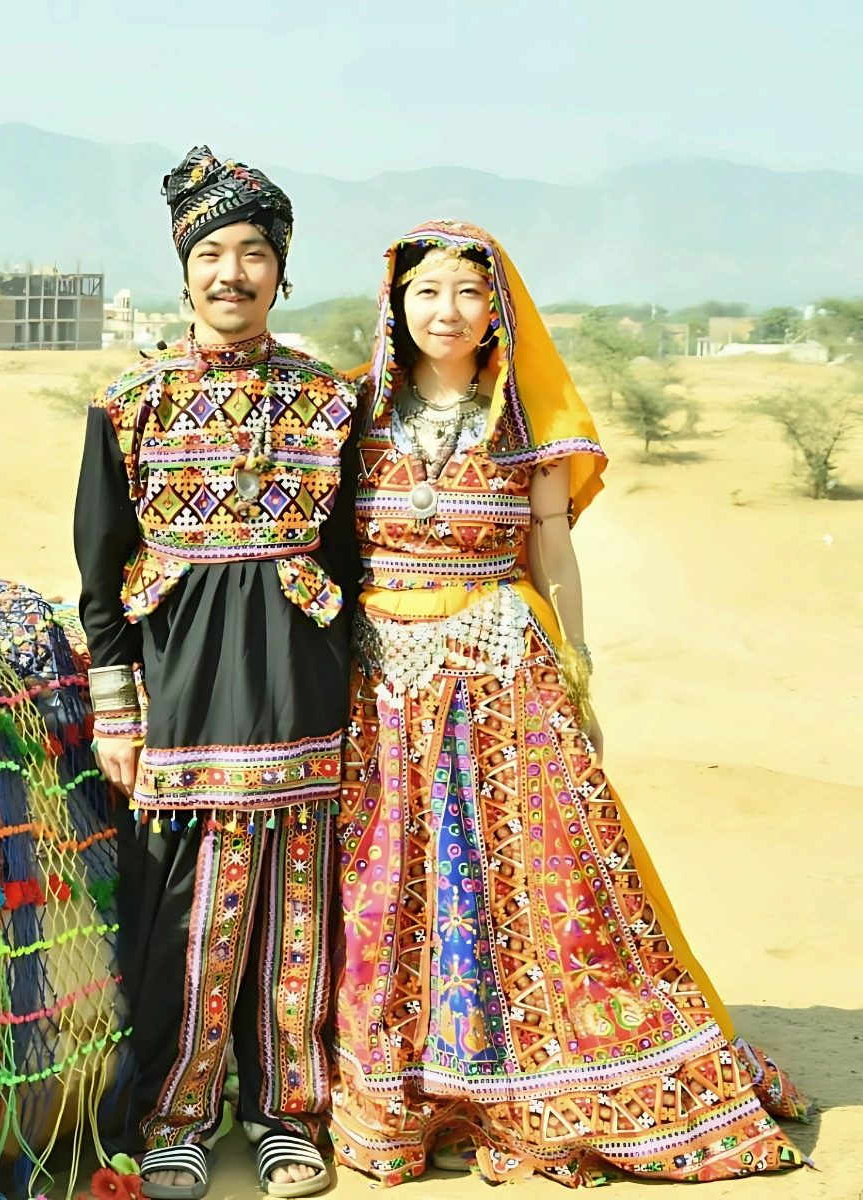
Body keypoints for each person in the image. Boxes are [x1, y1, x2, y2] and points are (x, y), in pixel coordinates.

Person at [328, 221, 811, 1187]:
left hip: (501, 671)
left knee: (537, 872)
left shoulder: (526, 424)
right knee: (392, 880)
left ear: (496, 308)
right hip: (381, 678)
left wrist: (577, 662)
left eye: (467, 294)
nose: (445, 312)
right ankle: (407, 1079)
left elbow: (552, 547)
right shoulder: (354, 416)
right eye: (426, 293)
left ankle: (550, 1070)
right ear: (397, 306)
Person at [75, 146, 362, 1199]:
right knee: (188, 911)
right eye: (211, 253)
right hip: (184, 702)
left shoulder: (334, 403)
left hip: (304, 695)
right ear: (183, 269)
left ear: (281, 274)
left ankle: (289, 1117)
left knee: (299, 911)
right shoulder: (129, 403)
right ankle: (178, 1117)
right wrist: (116, 709)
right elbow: (99, 573)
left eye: (253, 254)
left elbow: (353, 563)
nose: (230, 273)